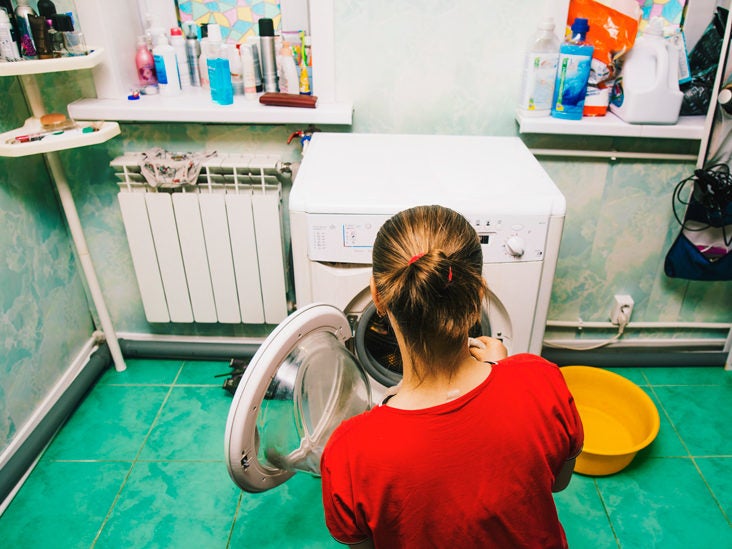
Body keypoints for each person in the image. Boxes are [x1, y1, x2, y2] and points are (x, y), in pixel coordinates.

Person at [320, 205, 584, 548]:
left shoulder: (350, 452)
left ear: (377, 297)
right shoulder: (541, 380)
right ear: (478, 292)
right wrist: (505, 372)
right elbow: (557, 482)